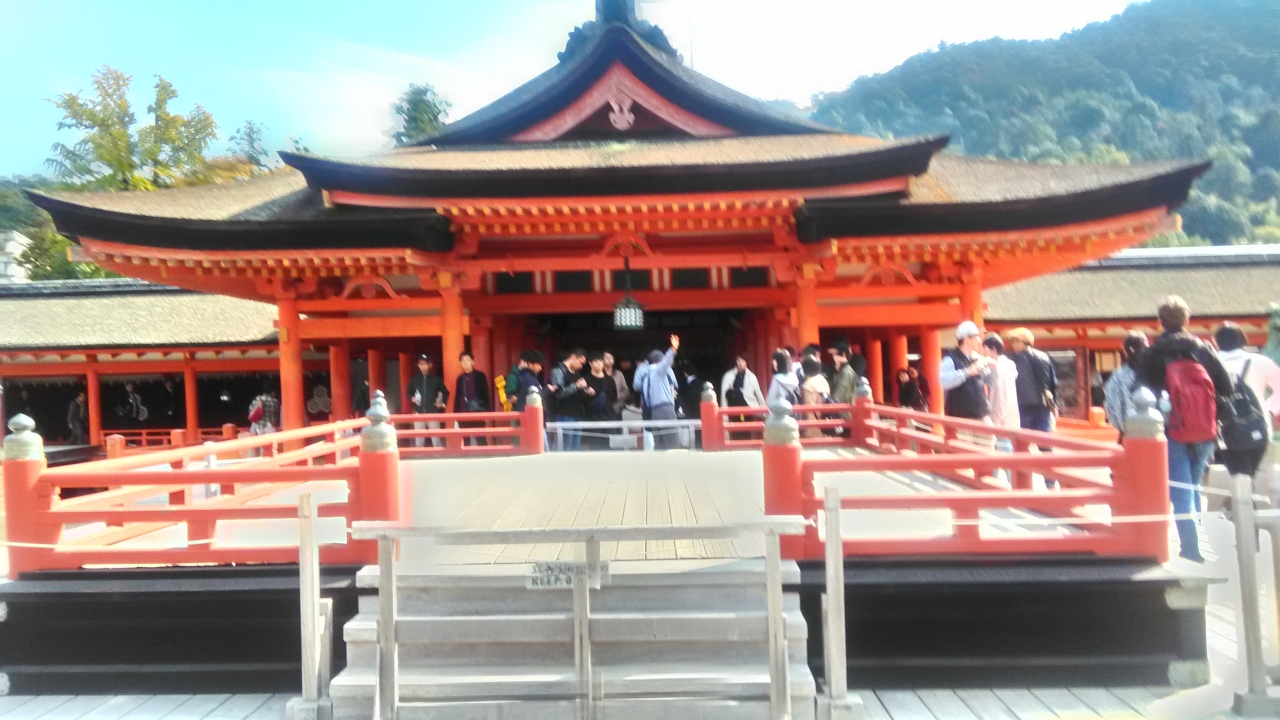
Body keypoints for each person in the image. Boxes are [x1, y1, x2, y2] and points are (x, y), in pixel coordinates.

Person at [1137, 296, 1234, 563]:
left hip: (1172, 426)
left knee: (1181, 490)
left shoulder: (1153, 353)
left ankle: (1192, 549)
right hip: (1204, 427)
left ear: (1160, 321)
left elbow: (1140, 391)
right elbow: (1227, 387)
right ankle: (1198, 543)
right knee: (1193, 487)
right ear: (1186, 319)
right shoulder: (1202, 348)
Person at [1215, 322, 1280, 477]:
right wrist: (1270, 411)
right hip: (1258, 427)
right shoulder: (1260, 361)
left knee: (1239, 478)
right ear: (1243, 339)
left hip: (1225, 431)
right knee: (1251, 477)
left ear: (1216, 341)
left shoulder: (1212, 363)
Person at [1005, 327, 1058, 434]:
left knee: (1022, 442)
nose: (1012, 344)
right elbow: (1053, 383)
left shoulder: (1012, 360)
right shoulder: (1044, 357)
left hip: (1022, 406)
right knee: (1044, 440)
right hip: (1043, 405)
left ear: (1021, 342)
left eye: (1013, 341)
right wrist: (1053, 405)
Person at [634, 335, 681, 449]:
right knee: (672, 443)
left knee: (659, 445)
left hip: (653, 412)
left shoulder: (645, 377)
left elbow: (638, 389)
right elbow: (666, 362)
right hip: (665, 410)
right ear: (660, 361)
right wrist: (673, 349)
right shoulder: (659, 371)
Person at [939, 321, 991, 422]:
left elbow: (990, 382)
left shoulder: (978, 358)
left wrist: (993, 369)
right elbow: (944, 381)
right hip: (959, 417)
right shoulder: (950, 359)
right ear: (967, 339)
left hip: (981, 414)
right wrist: (967, 372)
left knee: (992, 438)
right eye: (976, 337)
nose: (980, 341)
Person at [1102, 332, 1149, 438]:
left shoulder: (1119, 375)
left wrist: (1122, 427)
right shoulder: (1156, 371)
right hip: (1157, 431)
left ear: (1126, 352)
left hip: (1129, 432)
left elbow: (1110, 403)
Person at [550, 348, 590, 451]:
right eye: (580, 363)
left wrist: (585, 390)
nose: (581, 366)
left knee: (575, 448)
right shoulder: (558, 371)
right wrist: (576, 386)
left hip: (577, 413)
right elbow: (559, 393)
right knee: (564, 446)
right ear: (573, 357)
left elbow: (577, 389)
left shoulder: (576, 373)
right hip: (564, 414)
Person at [409, 355, 449, 448]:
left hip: (433, 412)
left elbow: (445, 392)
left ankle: (438, 459)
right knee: (419, 440)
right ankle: (419, 459)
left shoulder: (436, 380)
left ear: (430, 365)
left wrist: (442, 403)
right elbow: (409, 393)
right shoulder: (414, 380)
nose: (422, 366)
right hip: (419, 412)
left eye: (424, 364)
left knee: (436, 439)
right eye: (420, 364)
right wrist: (412, 398)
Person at [454, 351, 490, 446]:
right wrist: (455, 414)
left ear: (472, 362)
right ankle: (467, 458)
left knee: (481, 437)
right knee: (465, 438)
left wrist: (487, 410)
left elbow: (485, 393)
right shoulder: (460, 378)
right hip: (463, 411)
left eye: (467, 360)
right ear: (460, 363)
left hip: (477, 410)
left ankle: (485, 457)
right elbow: (457, 396)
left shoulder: (480, 376)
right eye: (463, 360)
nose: (465, 362)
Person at [582, 352, 618, 450]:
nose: (599, 363)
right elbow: (583, 400)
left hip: (609, 416)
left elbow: (614, 397)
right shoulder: (585, 380)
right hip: (592, 417)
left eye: (601, 361)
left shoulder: (610, 379)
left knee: (610, 447)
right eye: (596, 361)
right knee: (595, 447)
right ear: (590, 363)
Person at [800, 356, 831, 439]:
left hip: (815, 426)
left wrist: (809, 431)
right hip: (826, 421)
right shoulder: (823, 380)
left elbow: (809, 410)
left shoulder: (808, 386)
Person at [828, 339, 859, 405]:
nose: (834, 357)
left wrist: (832, 402)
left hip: (845, 410)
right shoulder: (841, 370)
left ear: (844, 354)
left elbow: (840, 393)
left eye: (835, 354)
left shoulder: (846, 372)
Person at [603, 351, 630, 417]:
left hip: (616, 408)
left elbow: (626, 391)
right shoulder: (599, 374)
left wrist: (618, 396)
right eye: (606, 358)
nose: (609, 360)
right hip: (602, 409)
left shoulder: (618, 374)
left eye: (611, 358)